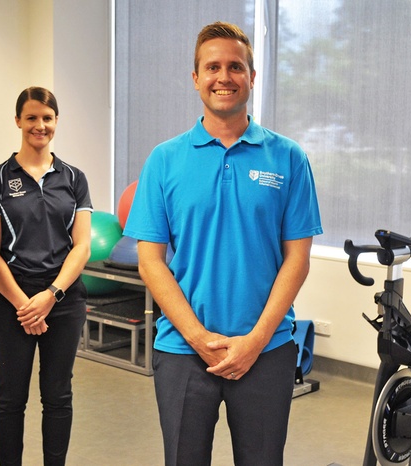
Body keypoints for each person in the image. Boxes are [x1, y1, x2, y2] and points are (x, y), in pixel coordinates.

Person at [123, 21, 323, 465]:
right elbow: (150, 262)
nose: (224, 77)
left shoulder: (288, 157)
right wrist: (197, 336)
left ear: (252, 77)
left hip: (266, 350)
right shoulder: (165, 159)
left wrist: (254, 340)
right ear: (196, 79)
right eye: (212, 67)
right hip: (182, 350)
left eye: (236, 66)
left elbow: (298, 259)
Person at [0, 87, 92, 466]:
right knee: (11, 398)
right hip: (13, 302)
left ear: (56, 122)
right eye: (31, 118)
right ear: (18, 121)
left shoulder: (74, 178)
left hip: (63, 301)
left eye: (47, 118)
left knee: (58, 396)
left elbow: (82, 246)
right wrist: (23, 304)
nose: (39, 125)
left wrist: (51, 296)